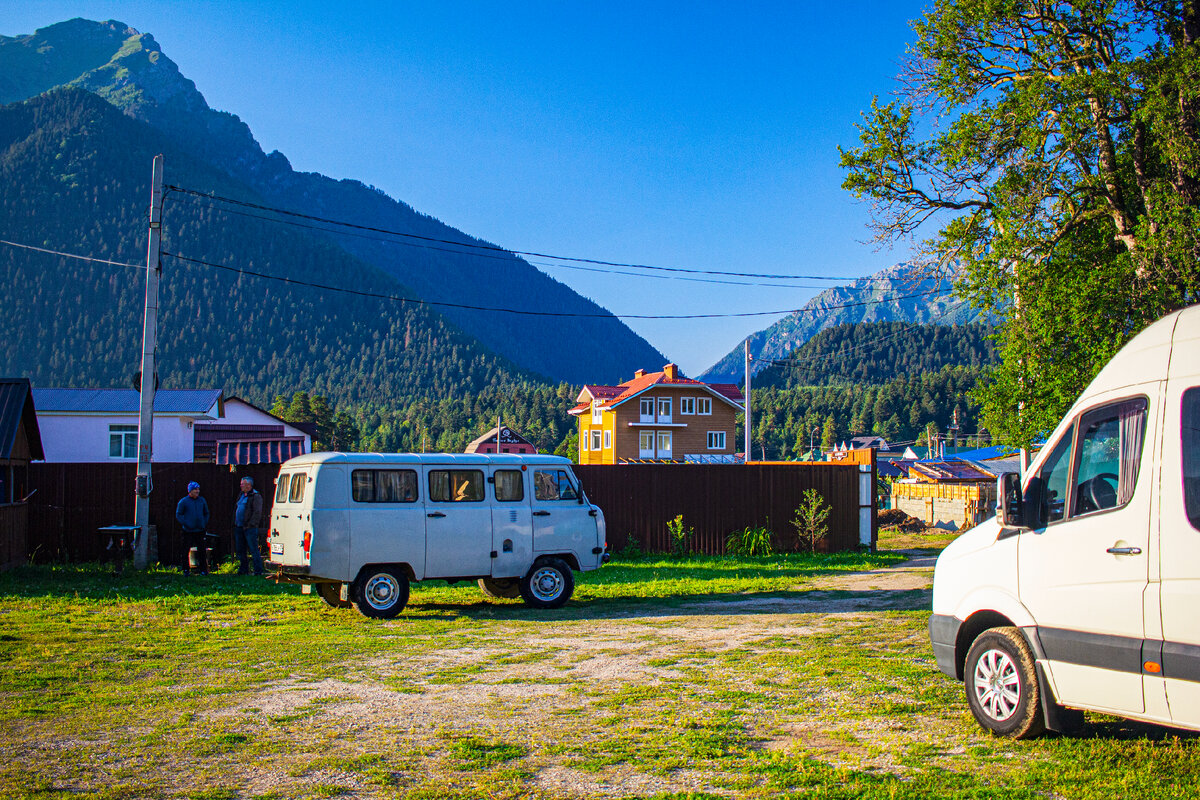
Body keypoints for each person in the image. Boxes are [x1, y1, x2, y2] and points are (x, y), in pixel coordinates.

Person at [175, 481, 210, 576]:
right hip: (188, 530)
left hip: (200, 530)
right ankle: (186, 569)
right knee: (185, 550)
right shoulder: (184, 501)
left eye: (198, 489)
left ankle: (203, 569)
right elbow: (178, 514)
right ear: (190, 491)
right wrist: (186, 523)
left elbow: (206, 513)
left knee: (202, 550)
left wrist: (204, 522)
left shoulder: (202, 500)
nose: (197, 491)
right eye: (195, 489)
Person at [233, 476, 265, 576]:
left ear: (249, 485)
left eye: (242, 484)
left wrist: (251, 524)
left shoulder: (255, 496)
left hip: (249, 528)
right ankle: (243, 569)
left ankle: (258, 571)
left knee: (253, 549)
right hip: (239, 526)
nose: (241, 486)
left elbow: (257, 512)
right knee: (240, 549)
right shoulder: (241, 495)